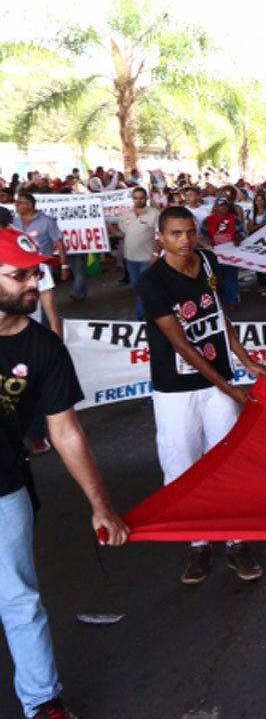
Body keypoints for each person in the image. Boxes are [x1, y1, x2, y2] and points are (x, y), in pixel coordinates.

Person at [0, 228, 128, 719]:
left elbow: (67, 432)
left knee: (20, 600)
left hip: (5, 487)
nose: (33, 283)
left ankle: (42, 703)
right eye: (19, 276)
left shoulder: (44, 348)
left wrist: (101, 505)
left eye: (36, 273)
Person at [134, 207, 266, 585]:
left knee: (227, 461)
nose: (186, 240)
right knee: (183, 466)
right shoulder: (152, 281)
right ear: (160, 237)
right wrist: (229, 388)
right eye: (176, 233)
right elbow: (180, 343)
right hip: (176, 389)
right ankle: (197, 543)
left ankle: (237, 540)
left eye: (191, 232)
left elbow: (219, 316)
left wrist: (246, 361)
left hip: (219, 382)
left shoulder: (208, 261)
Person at [13, 193, 76, 304]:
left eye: (19, 203)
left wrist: (64, 266)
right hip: (20, 267)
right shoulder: (14, 221)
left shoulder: (47, 221)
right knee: (23, 299)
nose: (16, 206)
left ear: (30, 205)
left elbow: (60, 243)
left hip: (41, 268)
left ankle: (46, 320)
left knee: (43, 297)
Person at [115, 186, 157, 319]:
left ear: (146, 198)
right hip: (131, 258)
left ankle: (142, 316)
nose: (139, 200)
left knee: (142, 287)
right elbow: (122, 233)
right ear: (132, 199)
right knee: (136, 286)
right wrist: (107, 228)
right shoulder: (126, 215)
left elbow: (161, 236)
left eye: (142, 198)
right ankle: (149, 311)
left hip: (147, 258)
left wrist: (156, 254)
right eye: (136, 198)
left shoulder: (155, 214)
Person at [200, 199, 241, 309]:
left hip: (231, 254)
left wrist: (238, 239)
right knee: (214, 279)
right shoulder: (207, 221)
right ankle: (215, 302)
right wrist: (208, 246)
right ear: (215, 207)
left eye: (225, 206)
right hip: (214, 254)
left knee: (231, 278)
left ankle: (232, 301)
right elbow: (203, 237)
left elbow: (242, 233)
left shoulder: (235, 220)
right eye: (220, 206)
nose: (223, 208)